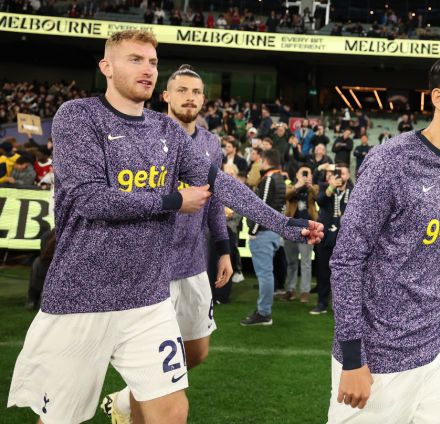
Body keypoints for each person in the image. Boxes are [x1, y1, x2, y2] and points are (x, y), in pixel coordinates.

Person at [7, 30, 323, 424]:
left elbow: (218, 183)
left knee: (171, 412)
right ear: (106, 67)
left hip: (147, 298)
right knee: (61, 419)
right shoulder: (78, 116)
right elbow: (91, 199)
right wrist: (172, 200)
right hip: (81, 296)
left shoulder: (168, 131)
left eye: (153, 62)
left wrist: (282, 222)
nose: (147, 69)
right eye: (135, 59)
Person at [328, 53, 440, 422]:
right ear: (439, 98)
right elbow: (346, 259)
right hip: (380, 357)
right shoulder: (391, 162)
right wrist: (353, 358)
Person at [100, 62, 236, 422]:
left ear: (204, 100)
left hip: (193, 264)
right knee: (154, 369)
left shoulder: (210, 142)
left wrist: (223, 248)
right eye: (181, 91)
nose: (189, 98)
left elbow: (215, 199)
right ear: (165, 95)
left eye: (195, 92)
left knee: (198, 351)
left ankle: (126, 400)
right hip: (152, 268)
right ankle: (135, 411)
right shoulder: (147, 135)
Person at [241, 149, 292, 326]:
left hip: (263, 232)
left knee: (265, 275)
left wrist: (253, 232)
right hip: (271, 231)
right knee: (266, 274)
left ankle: (264, 313)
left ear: (265, 161)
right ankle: (263, 310)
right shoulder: (281, 179)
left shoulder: (270, 179)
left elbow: (260, 209)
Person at [283, 165, 319, 302]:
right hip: (291, 228)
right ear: (297, 175)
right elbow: (286, 195)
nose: (305, 176)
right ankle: (290, 290)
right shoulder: (292, 186)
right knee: (291, 262)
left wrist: (309, 186)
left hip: (307, 229)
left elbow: (318, 196)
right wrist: (298, 185)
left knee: (306, 262)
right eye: (302, 173)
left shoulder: (313, 188)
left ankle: (305, 291)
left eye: (308, 173)